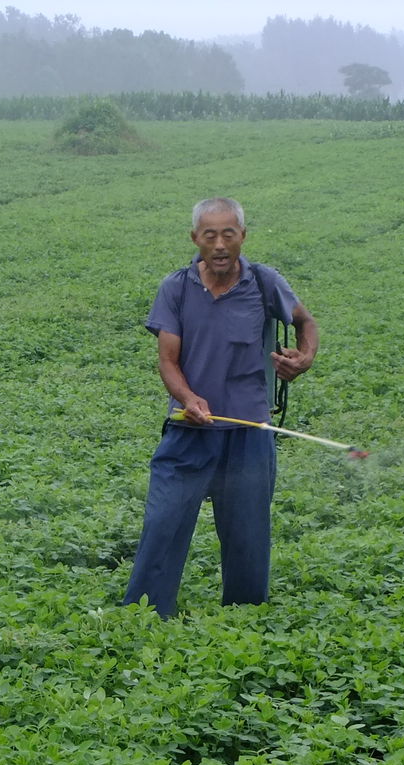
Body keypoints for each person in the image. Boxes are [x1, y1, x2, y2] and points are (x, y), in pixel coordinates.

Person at [122, 197, 319, 618]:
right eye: (209, 235)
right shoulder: (175, 288)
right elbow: (168, 361)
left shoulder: (264, 282)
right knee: (163, 523)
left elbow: (306, 322)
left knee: (248, 533)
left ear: (243, 236)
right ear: (195, 238)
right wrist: (189, 398)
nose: (220, 243)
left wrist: (303, 358)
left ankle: (244, 617)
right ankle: (145, 615)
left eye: (229, 233)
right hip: (188, 431)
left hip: (249, 431)